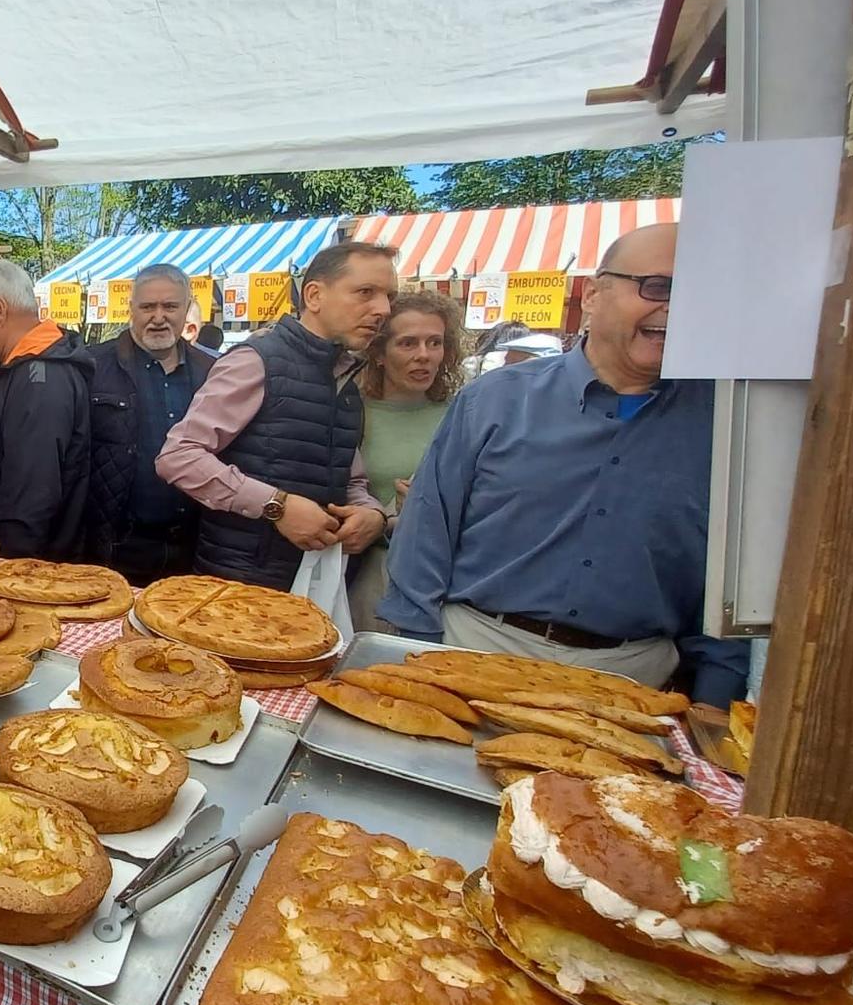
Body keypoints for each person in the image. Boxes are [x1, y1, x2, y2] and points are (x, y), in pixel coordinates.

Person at [379, 222, 749, 704]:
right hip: (477, 654)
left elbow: (729, 582)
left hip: (631, 682)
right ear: (593, 295)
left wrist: (716, 700)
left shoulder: (730, 426)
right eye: (658, 286)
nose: (678, 308)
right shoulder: (495, 400)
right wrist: (418, 656)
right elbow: (426, 534)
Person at [156, 244, 396, 591]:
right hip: (239, 586)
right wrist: (276, 505)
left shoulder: (345, 379)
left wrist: (372, 514)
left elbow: (349, 478)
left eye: (388, 296)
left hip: (315, 582)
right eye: (365, 293)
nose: (383, 309)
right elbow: (178, 457)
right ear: (314, 295)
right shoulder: (256, 361)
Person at [0, 259, 94, 559]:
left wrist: (3, 574)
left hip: (9, 575)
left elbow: (31, 501)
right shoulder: (4, 367)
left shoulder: (41, 379)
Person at [83, 264, 217, 584]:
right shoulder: (91, 366)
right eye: (147, 307)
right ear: (131, 310)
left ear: (187, 310)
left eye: (170, 306)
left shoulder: (216, 372)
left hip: (194, 550)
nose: (158, 317)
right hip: (115, 551)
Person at [349, 291, 465, 630]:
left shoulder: (461, 414)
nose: (424, 356)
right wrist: (389, 516)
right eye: (408, 343)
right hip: (370, 578)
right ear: (380, 353)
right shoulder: (352, 412)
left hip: (449, 583)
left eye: (435, 343)